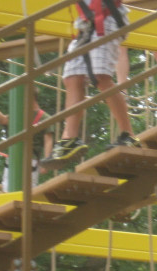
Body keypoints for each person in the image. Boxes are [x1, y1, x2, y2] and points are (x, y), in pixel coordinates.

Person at [41, 0, 139, 170]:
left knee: (100, 76)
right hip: (87, 23)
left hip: (106, 17)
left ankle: (128, 134)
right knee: (72, 77)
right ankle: (69, 138)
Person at [0, 89, 55, 191]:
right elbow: (3, 120)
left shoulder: (44, 118)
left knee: (27, 191)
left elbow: (48, 141)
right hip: (13, 159)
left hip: (30, 160)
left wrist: (46, 162)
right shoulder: (19, 115)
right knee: (7, 190)